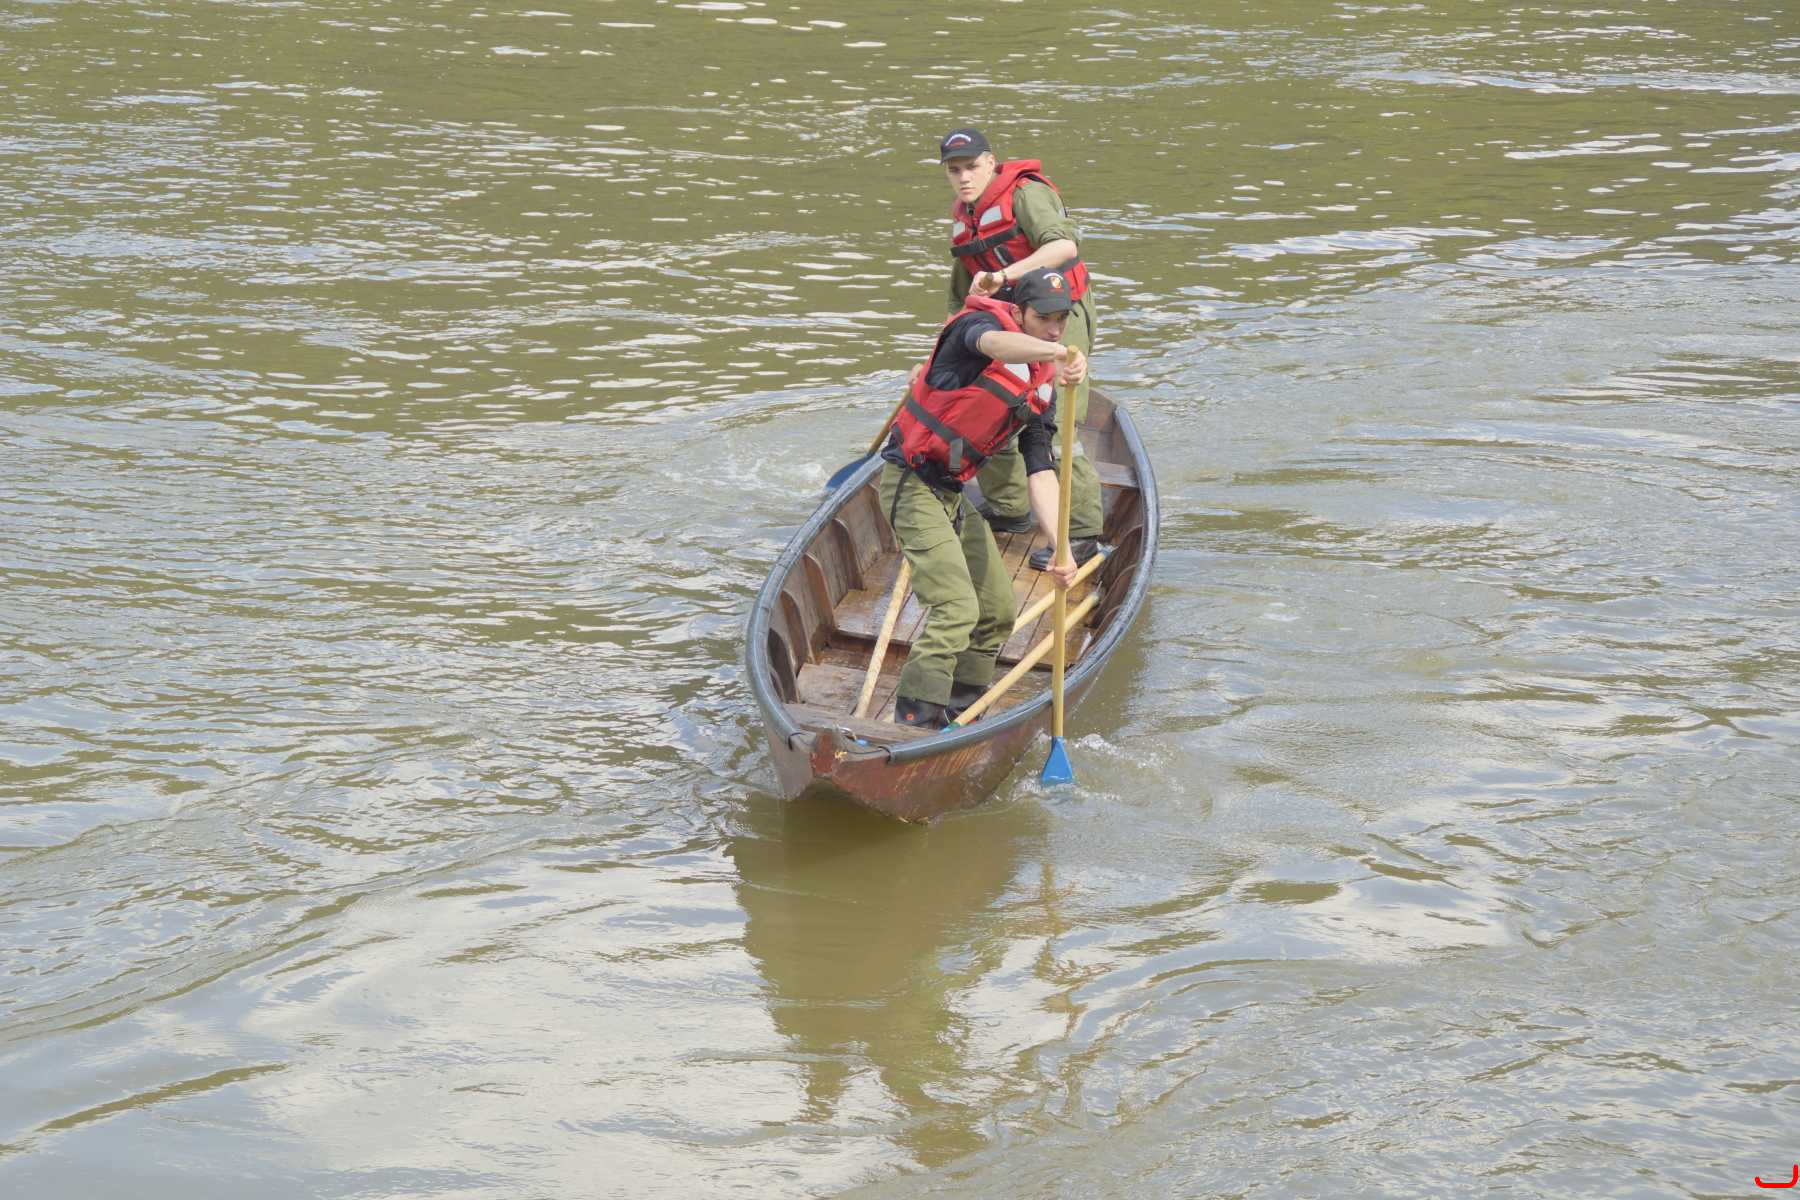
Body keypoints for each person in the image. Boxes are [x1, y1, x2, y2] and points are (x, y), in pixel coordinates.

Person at [880, 267, 1085, 731]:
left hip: (951, 494)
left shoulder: (1041, 386)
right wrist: (1059, 353)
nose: (1055, 330)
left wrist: (1063, 548)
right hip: (911, 483)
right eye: (1044, 319)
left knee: (996, 611)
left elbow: (1040, 472)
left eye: (1062, 320)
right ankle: (914, 723)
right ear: (1018, 312)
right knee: (956, 608)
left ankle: (961, 712)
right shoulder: (976, 328)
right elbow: (996, 346)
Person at [937, 126, 1104, 571]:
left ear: (990, 163)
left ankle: (1082, 533)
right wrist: (944, 345)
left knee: (1056, 420)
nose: (964, 178)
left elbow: (1064, 246)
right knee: (987, 405)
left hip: (1057, 312)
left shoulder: (1026, 194)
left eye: (972, 167)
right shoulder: (966, 215)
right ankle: (1010, 507)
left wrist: (1004, 277)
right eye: (954, 170)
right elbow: (961, 293)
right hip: (1008, 319)